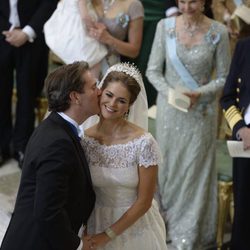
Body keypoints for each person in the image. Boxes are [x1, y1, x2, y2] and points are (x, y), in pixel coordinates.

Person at [146, 0, 231, 248]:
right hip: (170, 114)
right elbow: (153, 71)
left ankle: (188, 232)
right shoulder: (165, 27)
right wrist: (173, 94)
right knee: (169, 169)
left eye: (192, 1)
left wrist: (201, 93)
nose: (186, 7)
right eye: (182, 1)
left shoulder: (219, 32)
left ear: (204, 1)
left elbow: (225, 76)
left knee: (195, 169)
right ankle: (165, 225)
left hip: (201, 114)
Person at [0, 61, 100, 250]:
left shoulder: (55, 128)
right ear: (75, 97)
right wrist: (77, 245)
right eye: (94, 87)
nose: (100, 92)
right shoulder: (58, 142)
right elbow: (48, 211)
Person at [81, 62, 167, 250]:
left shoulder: (144, 143)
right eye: (109, 95)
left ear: (129, 106)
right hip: (94, 221)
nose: (112, 104)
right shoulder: (85, 139)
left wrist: (107, 235)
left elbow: (145, 201)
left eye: (121, 100)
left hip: (134, 226)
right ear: (100, 92)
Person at [0, 0, 57, 167]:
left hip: (33, 38)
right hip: (2, 34)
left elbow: (49, 3)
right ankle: (2, 146)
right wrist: (8, 30)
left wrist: (27, 32)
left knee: (28, 93)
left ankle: (22, 146)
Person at [220, 36, 250, 249]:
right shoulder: (244, 46)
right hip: (246, 140)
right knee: (244, 209)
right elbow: (228, 97)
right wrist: (240, 128)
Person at [44, 0, 108, 78]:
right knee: (93, 56)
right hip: (79, 27)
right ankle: (95, 83)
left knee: (84, 58)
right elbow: (85, 16)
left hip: (66, 25)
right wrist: (93, 27)